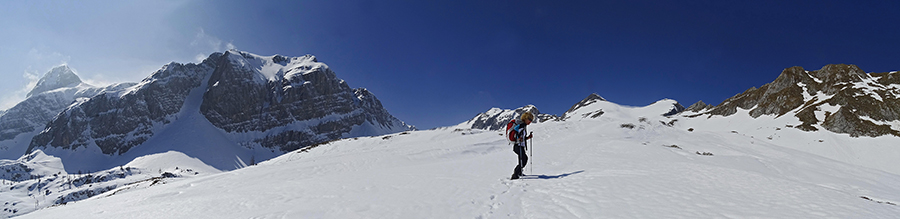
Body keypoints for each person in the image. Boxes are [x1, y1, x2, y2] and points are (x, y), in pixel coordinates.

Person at [510, 112, 534, 180]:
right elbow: (516, 134)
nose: (530, 121)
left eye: (531, 120)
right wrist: (518, 138)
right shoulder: (521, 125)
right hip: (518, 146)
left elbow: (522, 137)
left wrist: (528, 137)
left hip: (521, 145)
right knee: (524, 159)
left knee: (521, 160)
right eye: (529, 119)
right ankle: (515, 175)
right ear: (525, 118)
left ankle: (519, 173)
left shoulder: (523, 126)